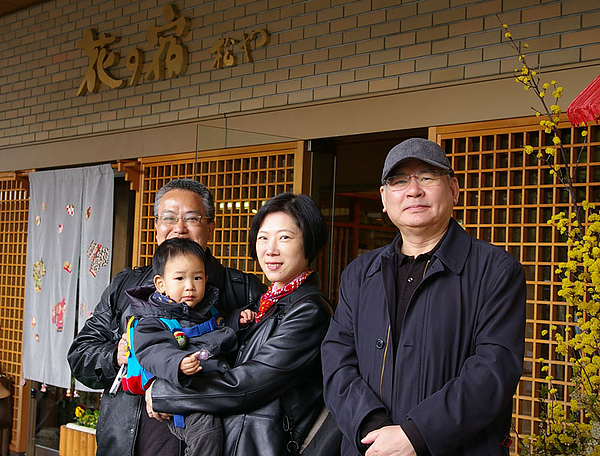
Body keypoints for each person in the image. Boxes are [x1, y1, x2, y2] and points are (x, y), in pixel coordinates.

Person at [321, 138, 526, 456]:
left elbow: (493, 370)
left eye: (427, 177)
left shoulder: (496, 270)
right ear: (384, 199)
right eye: (399, 180)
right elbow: (337, 360)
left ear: (454, 189)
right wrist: (371, 429)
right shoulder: (359, 273)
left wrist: (416, 435)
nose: (413, 190)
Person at [67, 179, 266, 456]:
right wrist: (117, 356)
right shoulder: (126, 286)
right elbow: (80, 354)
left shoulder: (242, 290)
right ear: (157, 228)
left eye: (192, 218)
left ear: (210, 226)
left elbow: (262, 373)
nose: (179, 228)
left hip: (208, 438)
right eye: (169, 218)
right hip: (126, 444)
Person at [145, 192, 334, 456]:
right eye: (263, 237)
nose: (271, 249)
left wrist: (166, 394)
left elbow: (247, 385)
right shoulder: (266, 303)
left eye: (285, 237)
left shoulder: (308, 311)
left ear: (309, 243)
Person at [128, 237, 256, 456]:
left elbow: (220, 327)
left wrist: (237, 320)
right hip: (185, 397)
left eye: (197, 278)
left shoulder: (208, 310)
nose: (190, 286)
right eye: (179, 278)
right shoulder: (153, 321)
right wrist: (177, 363)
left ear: (206, 278)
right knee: (207, 434)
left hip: (212, 391)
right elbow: (152, 351)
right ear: (161, 284)